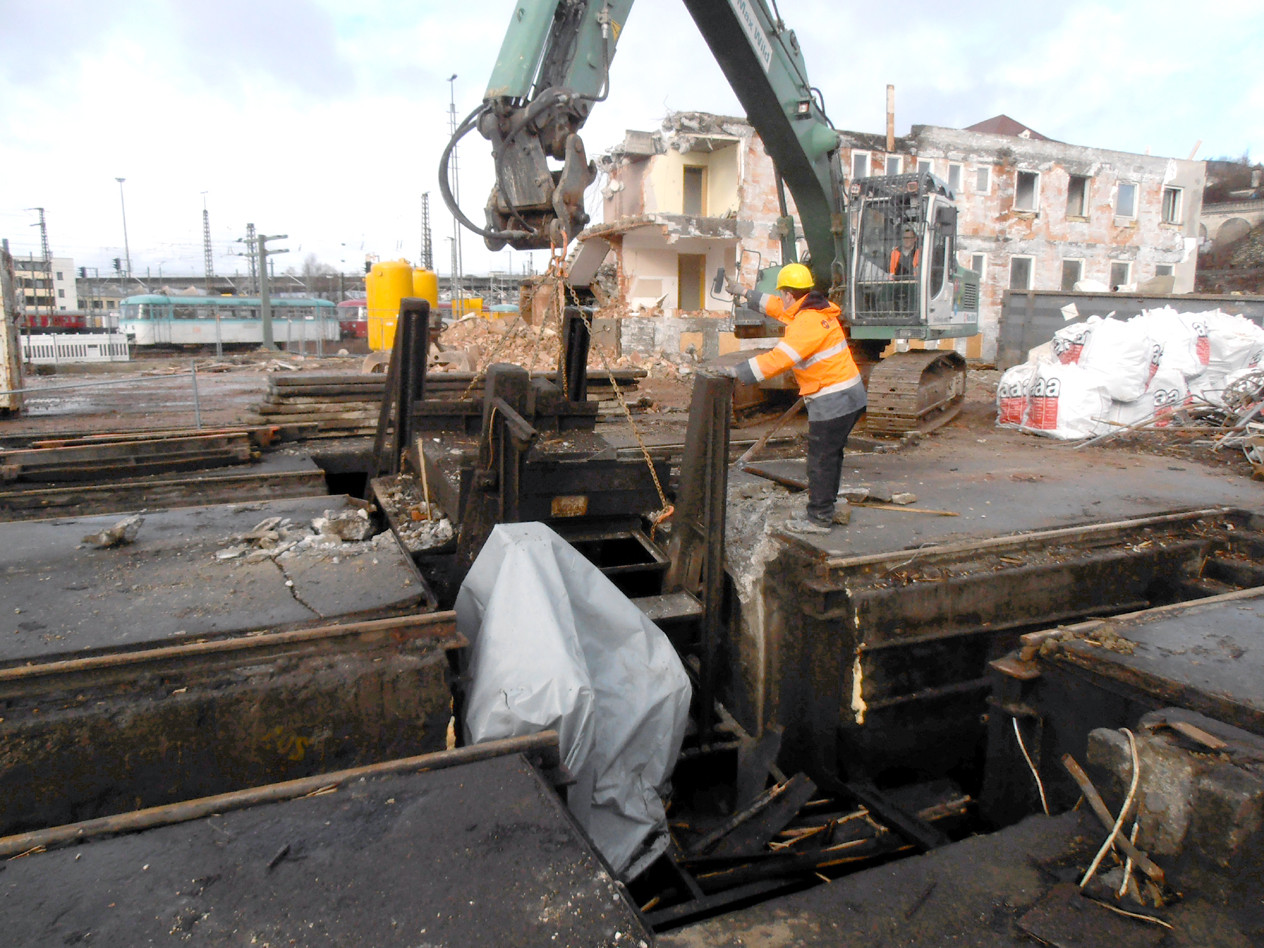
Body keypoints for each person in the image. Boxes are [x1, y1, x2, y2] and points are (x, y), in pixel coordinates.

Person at [724, 262, 867, 534]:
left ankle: (819, 518)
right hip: (848, 395)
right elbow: (777, 308)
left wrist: (737, 372)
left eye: (782, 294)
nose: (780, 300)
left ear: (790, 294)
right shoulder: (811, 308)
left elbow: (780, 359)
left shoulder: (807, 323)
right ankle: (827, 507)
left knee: (821, 459)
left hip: (834, 399)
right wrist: (743, 291)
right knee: (831, 455)